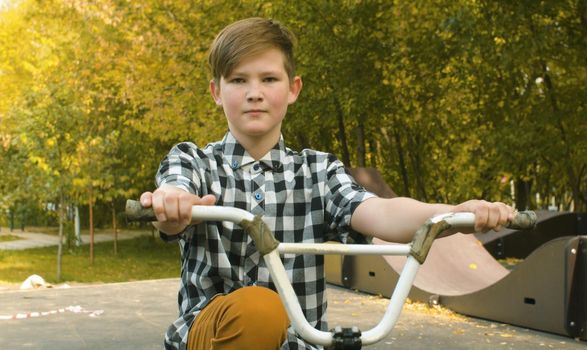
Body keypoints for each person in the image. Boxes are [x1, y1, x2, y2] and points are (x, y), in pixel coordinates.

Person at [139, 17, 515, 350]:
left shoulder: (319, 171)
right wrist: (172, 205)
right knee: (259, 308)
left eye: (269, 79)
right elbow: (174, 190)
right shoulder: (193, 161)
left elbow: (380, 211)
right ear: (217, 92)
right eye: (239, 80)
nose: (255, 92)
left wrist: (453, 213)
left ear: (293, 89)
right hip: (214, 333)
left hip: (301, 342)